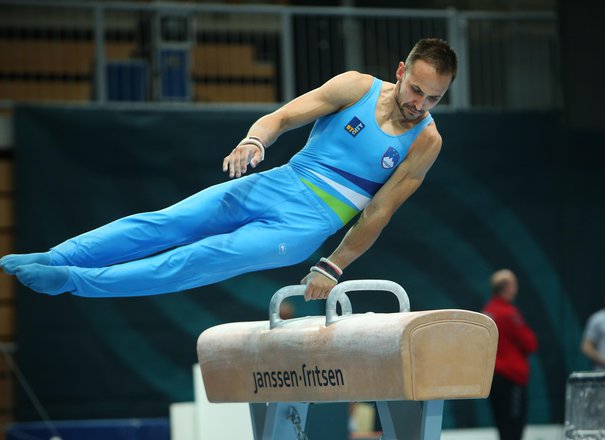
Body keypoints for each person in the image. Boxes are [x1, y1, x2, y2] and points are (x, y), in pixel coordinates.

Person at [0, 38, 457, 301]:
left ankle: (73, 282)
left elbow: (378, 212)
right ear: (400, 71)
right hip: (278, 182)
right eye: (416, 89)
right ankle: (57, 257)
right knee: (167, 222)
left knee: (195, 259)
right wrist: (254, 140)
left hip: (302, 227)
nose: (420, 104)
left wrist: (332, 267)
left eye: (433, 98)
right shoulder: (355, 86)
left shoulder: (426, 141)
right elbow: (279, 119)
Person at [482, 269, 537, 440]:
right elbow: (531, 344)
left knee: (502, 424)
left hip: (493, 377)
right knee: (513, 427)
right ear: (507, 287)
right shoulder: (510, 314)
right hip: (511, 378)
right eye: (514, 284)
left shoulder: (487, 313)